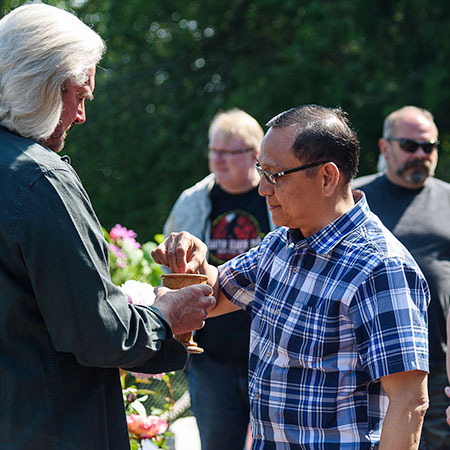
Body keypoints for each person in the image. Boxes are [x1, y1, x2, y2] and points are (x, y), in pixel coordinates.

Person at [0, 5, 215, 449]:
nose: (80, 115)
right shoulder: (38, 177)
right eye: (80, 95)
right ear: (42, 86)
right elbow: (98, 333)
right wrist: (166, 314)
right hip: (50, 429)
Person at [153, 104, 430, 449]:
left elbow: (409, 403)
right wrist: (194, 262)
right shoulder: (281, 245)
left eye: (275, 175)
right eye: (261, 172)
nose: (263, 189)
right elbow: (213, 296)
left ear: (327, 177)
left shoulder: (379, 267)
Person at [164, 108, 276, 450]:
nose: (219, 160)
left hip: (271, 357)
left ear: (255, 155)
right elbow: (170, 269)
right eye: (214, 151)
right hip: (212, 358)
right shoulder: (194, 200)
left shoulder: (277, 197)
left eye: (229, 152)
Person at [353, 106, 450, 449]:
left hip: (437, 370)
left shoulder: (448, 200)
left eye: (430, 147)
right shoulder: (354, 201)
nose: (421, 154)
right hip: (364, 371)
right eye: (410, 146)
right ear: (384, 147)